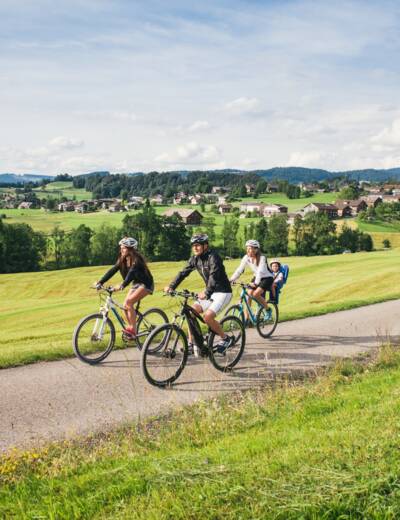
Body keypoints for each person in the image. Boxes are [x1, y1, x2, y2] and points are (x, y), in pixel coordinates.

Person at [164, 233, 233, 352]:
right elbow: (183, 273)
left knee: (207, 317)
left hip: (223, 292)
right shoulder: (195, 259)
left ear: (205, 245)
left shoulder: (213, 257)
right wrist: (171, 286)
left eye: (198, 245)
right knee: (191, 313)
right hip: (210, 292)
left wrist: (207, 291)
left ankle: (225, 338)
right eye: (193, 246)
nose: (195, 248)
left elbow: (214, 276)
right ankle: (192, 343)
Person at [95, 237, 154, 337]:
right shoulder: (123, 259)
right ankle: (131, 327)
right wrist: (101, 282)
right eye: (121, 248)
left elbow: (131, 273)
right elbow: (113, 270)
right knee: (124, 306)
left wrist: (122, 285)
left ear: (130, 249)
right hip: (136, 284)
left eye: (124, 248)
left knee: (129, 302)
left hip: (146, 284)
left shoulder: (136, 260)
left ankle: (133, 330)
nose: (121, 250)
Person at [230, 239, 273, 314]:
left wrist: (256, 284)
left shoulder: (262, 258)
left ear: (256, 250)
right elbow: (239, 270)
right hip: (256, 277)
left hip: (267, 278)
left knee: (256, 294)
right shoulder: (246, 257)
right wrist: (231, 279)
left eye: (251, 248)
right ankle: (248, 319)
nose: (249, 250)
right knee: (248, 295)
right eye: (248, 248)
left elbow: (260, 271)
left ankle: (268, 309)